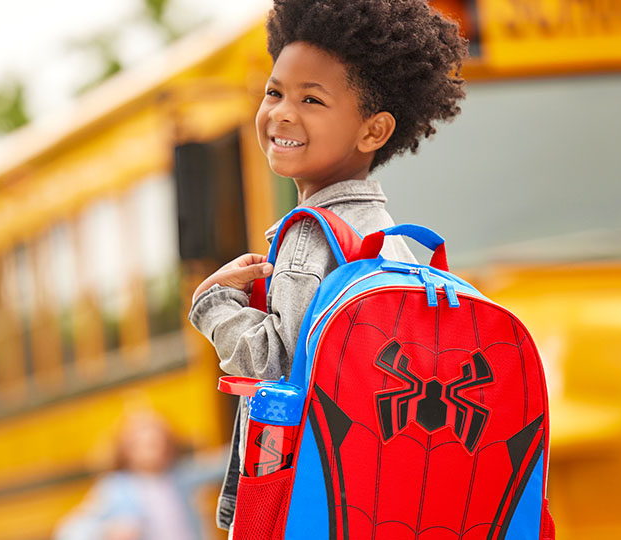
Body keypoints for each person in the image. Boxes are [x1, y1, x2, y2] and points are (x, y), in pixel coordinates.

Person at [188, 0, 468, 532]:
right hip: (382, 501)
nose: (282, 113)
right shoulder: (399, 243)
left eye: (312, 99)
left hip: (309, 505)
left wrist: (213, 303)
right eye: (274, 92)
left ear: (373, 131)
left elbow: (272, 370)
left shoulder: (310, 237)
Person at [54, 410, 224, 540]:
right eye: (146, 446)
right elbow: (70, 531)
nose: (154, 451)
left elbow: (222, 464)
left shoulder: (180, 476)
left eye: (159, 443)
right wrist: (106, 531)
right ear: (126, 451)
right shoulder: (117, 488)